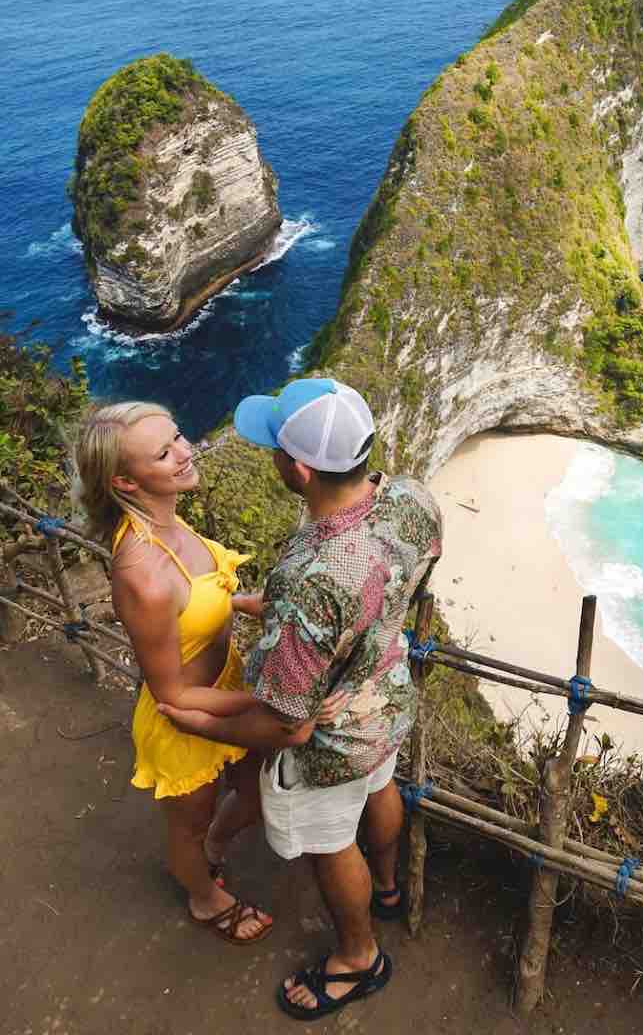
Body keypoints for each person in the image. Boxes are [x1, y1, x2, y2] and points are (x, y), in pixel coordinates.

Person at [159, 378, 442, 1020]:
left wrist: (198, 717)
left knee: (329, 845)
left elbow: (287, 725)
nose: (271, 458)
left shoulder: (311, 577)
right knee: (379, 789)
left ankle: (357, 957)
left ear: (302, 468)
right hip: (387, 696)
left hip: (333, 741)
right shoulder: (410, 498)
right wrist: (293, 616)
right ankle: (390, 888)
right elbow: (406, 572)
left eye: (276, 450)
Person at [72, 402, 342, 945]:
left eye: (178, 436)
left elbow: (197, 600)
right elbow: (171, 693)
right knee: (187, 828)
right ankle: (203, 897)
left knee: (251, 792)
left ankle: (215, 851)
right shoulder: (143, 572)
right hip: (187, 718)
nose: (185, 451)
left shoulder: (167, 517)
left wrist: (248, 604)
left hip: (229, 690)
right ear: (125, 480)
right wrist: (265, 705)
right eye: (164, 452)